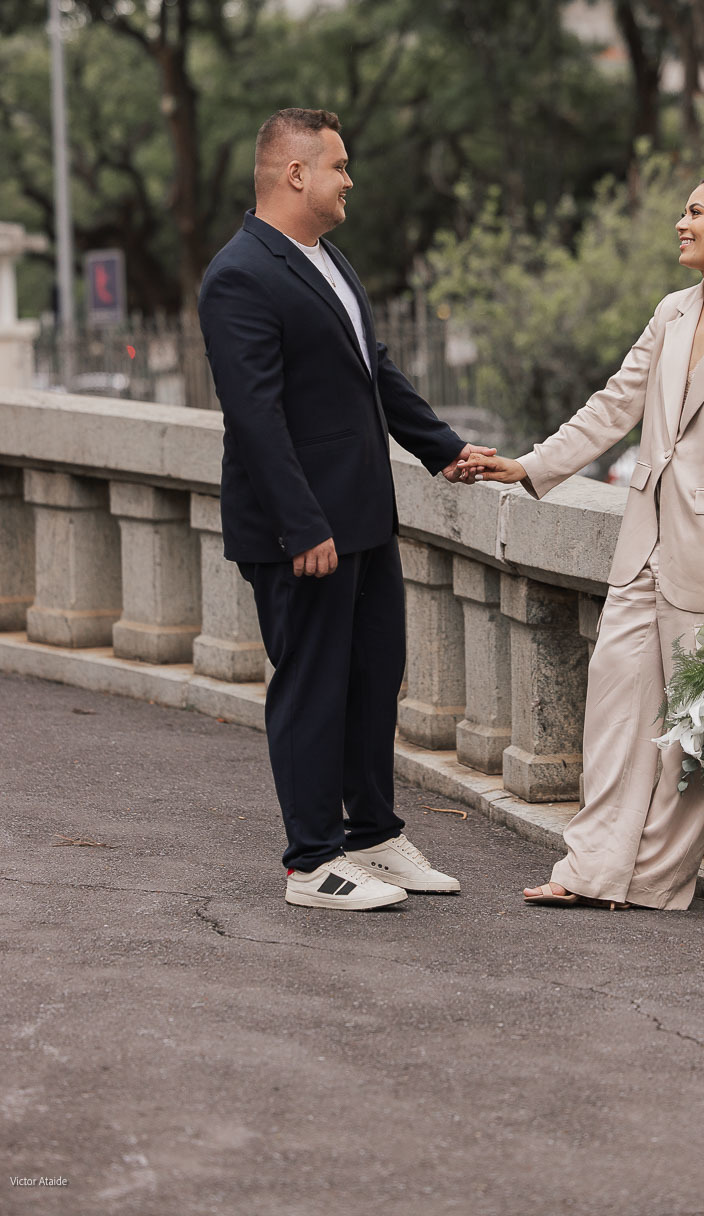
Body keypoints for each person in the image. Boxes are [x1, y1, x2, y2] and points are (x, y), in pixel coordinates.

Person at [461, 171, 704, 911]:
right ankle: (589, 872)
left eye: (694, 212)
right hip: (644, 541)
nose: (681, 224)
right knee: (615, 708)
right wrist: (533, 464)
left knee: (694, 732)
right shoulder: (671, 313)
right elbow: (614, 403)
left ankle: (652, 881)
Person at [198, 107, 494, 911]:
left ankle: (373, 836)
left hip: (363, 518)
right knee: (311, 687)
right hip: (303, 532)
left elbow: (375, 373)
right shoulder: (239, 274)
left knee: (372, 681)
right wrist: (303, 524)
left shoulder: (328, 259)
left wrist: (443, 448)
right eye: (338, 164)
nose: (348, 179)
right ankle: (311, 862)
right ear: (296, 173)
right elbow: (254, 418)